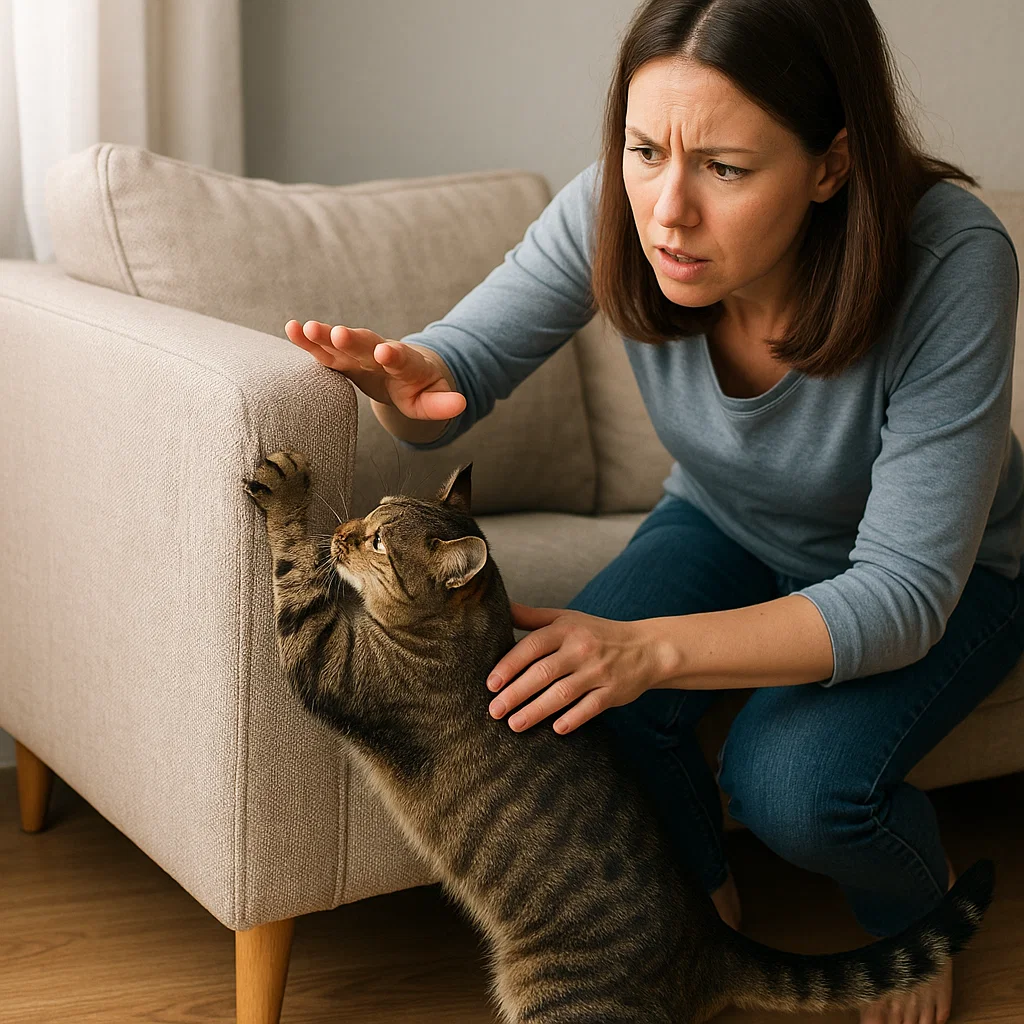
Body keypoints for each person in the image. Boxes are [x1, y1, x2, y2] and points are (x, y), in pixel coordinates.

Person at [284, 1, 1022, 1021]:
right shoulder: (620, 208)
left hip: (949, 575)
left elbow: (900, 594)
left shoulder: (950, 256)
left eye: (724, 167)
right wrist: (407, 384)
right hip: (725, 523)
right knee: (561, 702)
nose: (665, 209)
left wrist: (645, 648)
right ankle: (695, 918)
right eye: (642, 150)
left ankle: (911, 901)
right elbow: (457, 375)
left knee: (791, 786)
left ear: (831, 162)